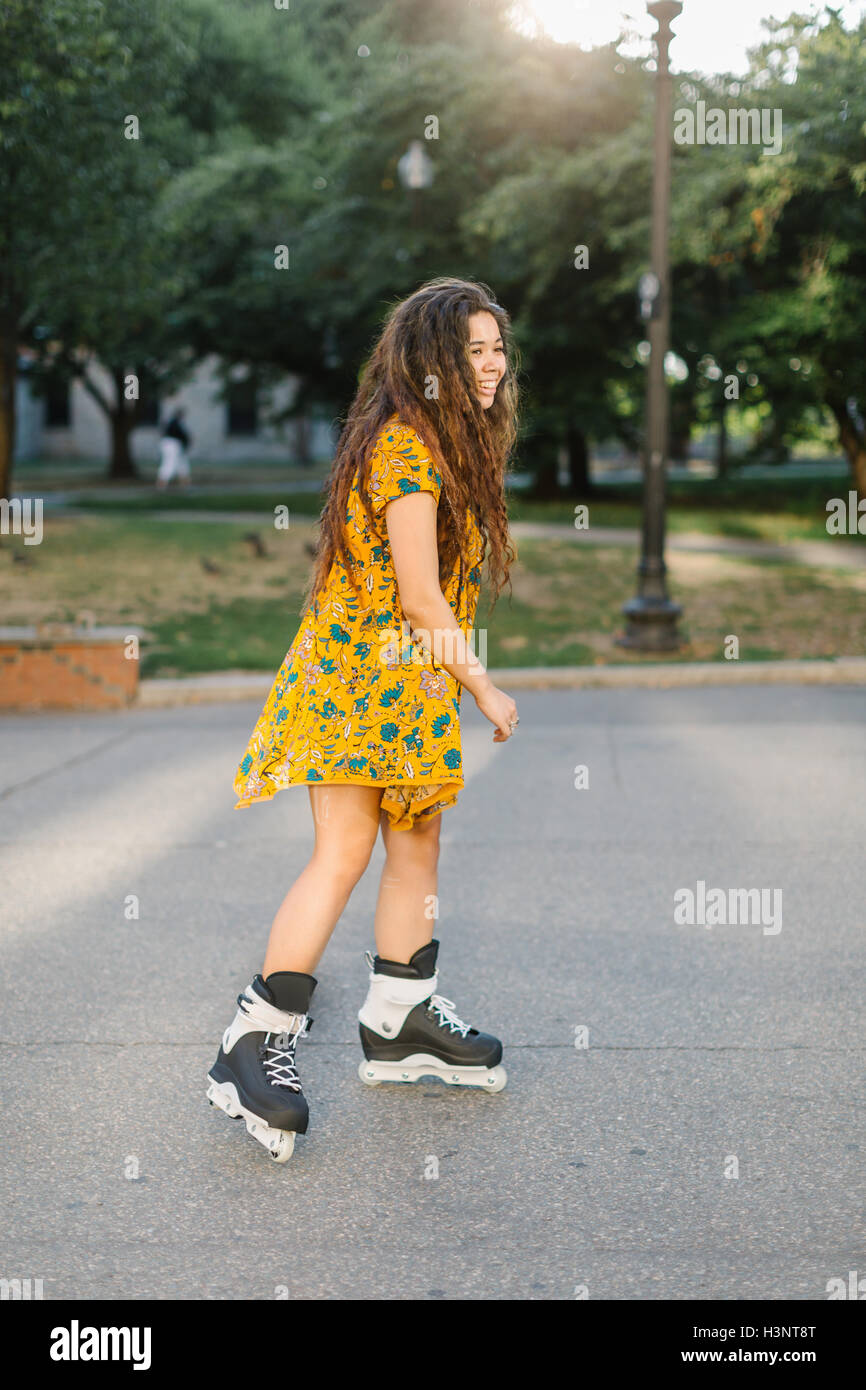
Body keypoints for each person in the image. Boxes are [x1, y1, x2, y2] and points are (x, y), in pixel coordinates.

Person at [206, 277, 520, 1162]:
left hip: (403, 687)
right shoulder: (409, 450)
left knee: (415, 848)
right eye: (473, 351)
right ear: (432, 364)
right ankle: (252, 1042)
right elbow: (419, 595)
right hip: (355, 683)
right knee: (343, 853)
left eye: (498, 348)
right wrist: (484, 689)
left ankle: (401, 1016)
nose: (492, 364)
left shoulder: (442, 446)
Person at [155, 407, 192, 488]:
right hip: (172, 444)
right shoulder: (176, 423)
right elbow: (182, 435)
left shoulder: (172, 422)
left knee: (182, 464)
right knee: (170, 463)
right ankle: (161, 484)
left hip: (173, 444)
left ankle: (185, 484)